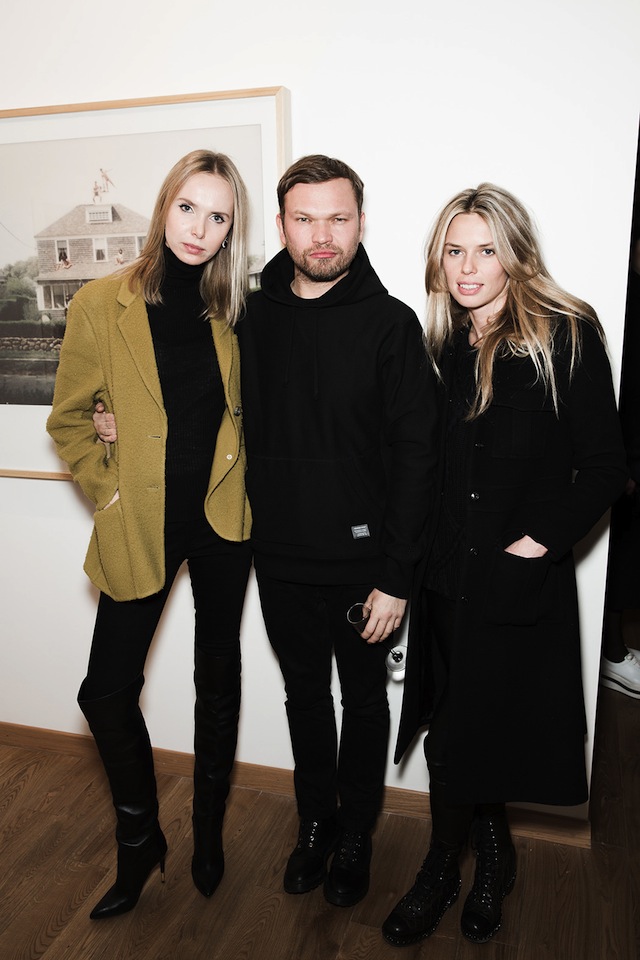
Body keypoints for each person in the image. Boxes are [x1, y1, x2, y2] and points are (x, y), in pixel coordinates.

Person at [382, 184, 628, 947]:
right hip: (443, 581)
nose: (467, 267)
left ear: (514, 254)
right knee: (463, 729)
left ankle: (443, 869)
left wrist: (539, 543)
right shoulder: (440, 347)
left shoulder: (566, 334)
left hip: (514, 585)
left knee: (468, 735)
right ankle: (492, 853)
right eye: (454, 250)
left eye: (485, 250)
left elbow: (606, 465)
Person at [47, 149, 252, 920]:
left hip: (225, 522)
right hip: (143, 523)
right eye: (188, 207)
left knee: (217, 680)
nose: (199, 228)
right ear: (166, 206)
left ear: (232, 229)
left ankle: (208, 834)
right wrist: (107, 486)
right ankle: (140, 841)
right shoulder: (101, 304)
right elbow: (71, 420)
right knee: (104, 692)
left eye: (218, 216)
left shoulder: (238, 311)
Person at [237, 155, 437, 907]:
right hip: (278, 557)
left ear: (360, 223)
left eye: (338, 219)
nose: (322, 236)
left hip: (366, 568)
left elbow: (418, 458)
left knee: (364, 701)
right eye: (305, 219)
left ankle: (357, 833)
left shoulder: (392, 325)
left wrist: (397, 574)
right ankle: (315, 825)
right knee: (303, 698)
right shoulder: (249, 317)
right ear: (282, 224)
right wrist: (109, 416)